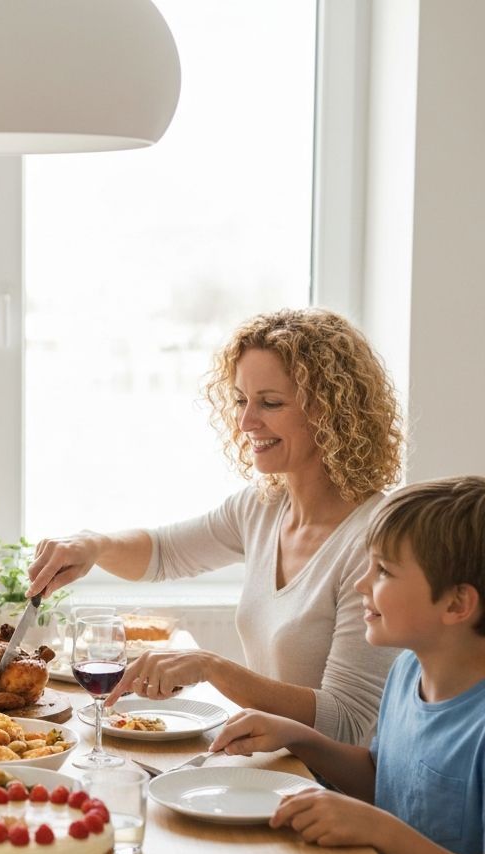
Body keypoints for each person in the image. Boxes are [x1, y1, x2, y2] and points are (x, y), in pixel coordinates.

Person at [28, 308, 404, 744]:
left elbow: (347, 723)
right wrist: (92, 545)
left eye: (270, 403)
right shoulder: (262, 507)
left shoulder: (375, 540)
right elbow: (163, 554)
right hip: (269, 761)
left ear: (332, 410)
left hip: (317, 781)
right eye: (242, 400)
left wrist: (211, 667)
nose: (246, 423)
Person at [210, 476, 485, 854]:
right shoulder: (408, 671)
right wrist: (299, 737)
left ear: (456, 604)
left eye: (383, 571)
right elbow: (387, 779)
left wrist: (381, 830)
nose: (361, 584)